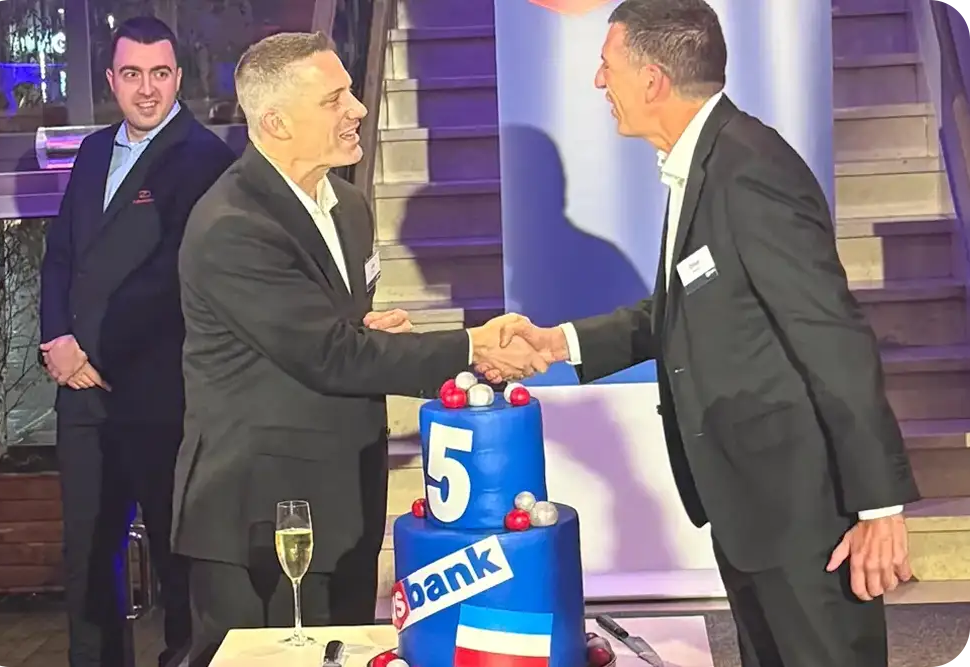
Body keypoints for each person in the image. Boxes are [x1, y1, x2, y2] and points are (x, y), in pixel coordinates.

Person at [483, 2, 920, 666]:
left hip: (805, 511)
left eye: (607, 66)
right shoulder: (706, 163)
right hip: (753, 507)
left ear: (653, 78)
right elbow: (677, 310)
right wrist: (558, 343)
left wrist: (879, 504)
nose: (600, 83)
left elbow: (833, 336)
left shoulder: (750, 169)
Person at [171, 31, 545, 666]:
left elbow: (333, 331)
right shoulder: (232, 226)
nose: (360, 109)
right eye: (335, 98)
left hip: (345, 501)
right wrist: (470, 346)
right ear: (275, 122)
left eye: (352, 91)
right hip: (263, 517)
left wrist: (364, 330)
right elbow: (327, 355)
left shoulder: (346, 206)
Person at [39, 16, 236, 667]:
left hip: (157, 396)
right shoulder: (94, 150)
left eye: (159, 73)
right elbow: (61, 255)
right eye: (131, 74)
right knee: (88, 556)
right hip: (81, 393)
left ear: (178, 77)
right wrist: (57, 339)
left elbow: (175, 276)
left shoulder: (204, 158)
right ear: (110, 80)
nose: (146, 89)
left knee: (179, 562)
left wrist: (94, 349)